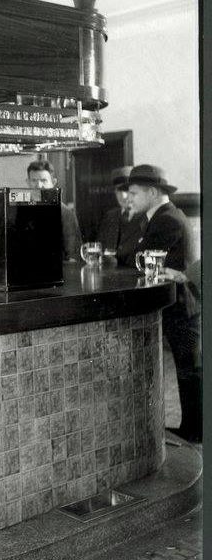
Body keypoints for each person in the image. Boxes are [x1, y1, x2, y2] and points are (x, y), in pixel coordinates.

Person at [125, 164, 200, 443]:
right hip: (184, 305)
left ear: (153, 192)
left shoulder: (166, 219)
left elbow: (136, 255)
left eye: (133, 193)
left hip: (183, 306)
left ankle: (194, 433)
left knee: (188, 372)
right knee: (187, 371)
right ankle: (193, 430)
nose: (128, 198)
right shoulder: (165, 215)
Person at [25, 160, 82, 262]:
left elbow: (73, 254)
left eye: (44, 180)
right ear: (27, 182)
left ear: (54, 183)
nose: (38, 185)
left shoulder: (65, 213)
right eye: (34, 180)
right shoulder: (19, 209)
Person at [96, 165, 144, 265]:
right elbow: (99, 249)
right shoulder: (109, 217)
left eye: (126, 190)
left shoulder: (146, 217)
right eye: (119, 190)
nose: (123, 196)